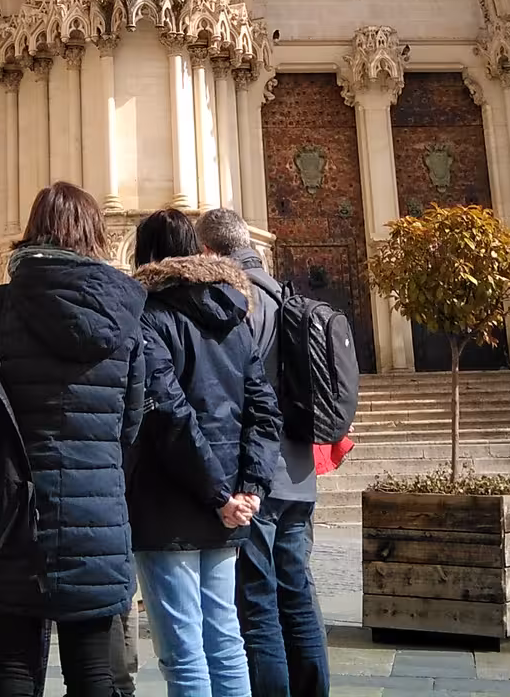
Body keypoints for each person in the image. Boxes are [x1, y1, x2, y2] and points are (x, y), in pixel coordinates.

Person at [0, 182, 147, 697]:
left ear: (32, 231)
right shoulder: (126, 311)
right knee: (93, 672)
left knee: (13, 665)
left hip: (9, 511)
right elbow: (132, 420)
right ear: (95, 234)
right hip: (95, 511)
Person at [130, 210, 280, 697]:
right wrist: (249, 489)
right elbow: (264, 409)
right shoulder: (233, 314)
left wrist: (223, 494)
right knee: (225, 641)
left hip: (170, 505)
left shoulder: (149, 316)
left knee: (185, 654)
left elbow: (169, 415)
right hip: (228, 506)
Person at [196, 209, 329, 697]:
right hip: (298, 468)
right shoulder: (285, 294)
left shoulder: (235, 299)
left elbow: (231, 391)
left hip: (256, 472)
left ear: (209, 251)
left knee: (257, 600)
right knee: (298, 594)